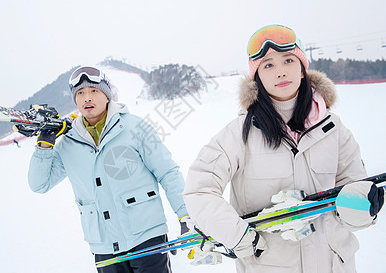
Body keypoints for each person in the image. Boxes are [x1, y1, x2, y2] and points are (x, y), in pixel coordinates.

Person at [183, 24, 384, 272]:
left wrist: (363, 208)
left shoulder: (334, 129)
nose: (280, 72)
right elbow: (199, 190)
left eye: (288, 60)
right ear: (257, 78)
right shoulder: (239, 134)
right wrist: (239, 238)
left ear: (302, 70)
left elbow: (352, 195)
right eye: (268, 65)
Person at [28, 66, 190, 272]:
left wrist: (185, 215)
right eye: (80, 93)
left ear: (107, 96)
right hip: (105, 247)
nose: (87, 98)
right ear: (75, 100)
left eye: (94, 91)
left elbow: (168, 172)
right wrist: (44, 146)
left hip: (147, 237)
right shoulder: (68, 143)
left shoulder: (134, 128)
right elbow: (39, 184)